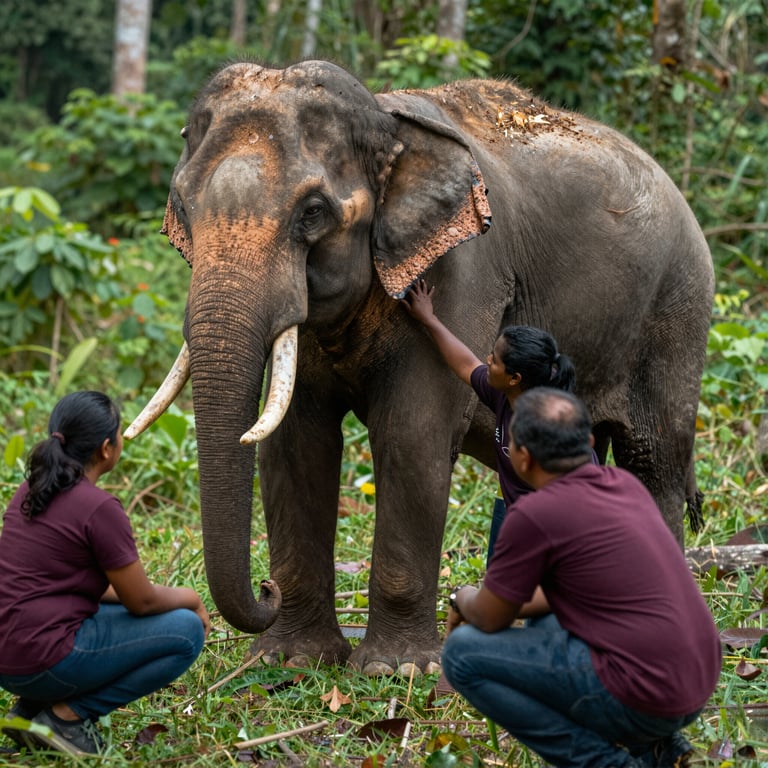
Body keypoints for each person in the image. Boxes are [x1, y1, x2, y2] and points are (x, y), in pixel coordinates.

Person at [442, 388, 722, 768]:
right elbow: (562, 595)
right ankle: (660, 748)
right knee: (548, 614)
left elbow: (491, 616)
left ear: (521, 458)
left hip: (646, 694)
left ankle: (606, 763)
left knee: (462, 654)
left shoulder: (533, 514)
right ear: (589, 442)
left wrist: (462, 596)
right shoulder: (623, 485)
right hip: (697, 680)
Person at [0, 391, 211, 756]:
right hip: (45, 659)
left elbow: (88, 590)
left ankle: (30, 711)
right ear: (106, 448)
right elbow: (141, 601)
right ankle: (66, 718)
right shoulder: (99, 508)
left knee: (116, 615)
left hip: (8, 661)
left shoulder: (30, 491)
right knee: (186, 632)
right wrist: (192, 598)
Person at [402, 278, 579, 564]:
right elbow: (467, 364)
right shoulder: (504, 396)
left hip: (554, 531)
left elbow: (576, 501)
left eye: (495, 360)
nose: (488, 361)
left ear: (515, 378)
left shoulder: (553, 427)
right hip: (516, 515)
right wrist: (429, 319)